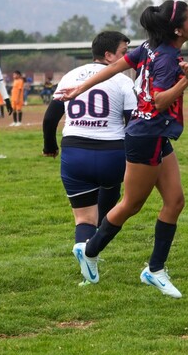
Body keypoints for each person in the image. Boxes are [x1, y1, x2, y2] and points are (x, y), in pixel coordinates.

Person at [57, 0, 188, 299]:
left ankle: (155, 270)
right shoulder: (166, 58)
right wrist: (186, 81)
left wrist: (80, 89)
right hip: (144, 137)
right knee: (130, 205)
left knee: (175, 202)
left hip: (157, 134)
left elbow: (113, 68)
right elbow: (160, 101)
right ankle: (90, 250)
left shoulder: (149, 47)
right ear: (177, 29)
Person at [43, 32, 136, 284]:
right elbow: (132, 121)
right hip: (112, 152)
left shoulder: (71, 76)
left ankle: (87, 262)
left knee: (83, 218)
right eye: (123, 51)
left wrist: (50, 146)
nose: (127, 57)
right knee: (111, 197)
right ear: (108, 55)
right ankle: (93, 248)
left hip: (74, 152)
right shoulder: (121, 79)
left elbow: (51, 116)